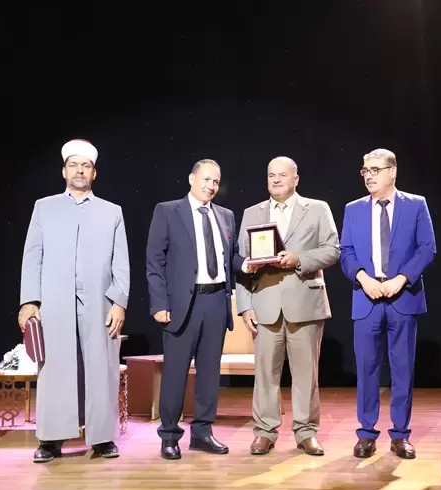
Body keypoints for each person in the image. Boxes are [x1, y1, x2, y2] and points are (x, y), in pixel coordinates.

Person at [19, 139, 130, 463]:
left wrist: (119, 302)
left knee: (103, 367)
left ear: (94, 173)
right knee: (53, 366)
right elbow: (32, 256)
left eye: (86, 166)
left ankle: (103, 437)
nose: (79, 171)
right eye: (73, 165)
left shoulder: (111, 211)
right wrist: (29, 301)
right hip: (55, 300)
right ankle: (51, 439)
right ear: (64, 171)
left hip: (100, 301)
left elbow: (121, 262)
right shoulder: (45, 207)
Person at [235, 156, 340, 456]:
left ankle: (306, 432)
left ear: (296, 179)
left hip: (305, 302)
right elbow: (241, 263)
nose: (276, 180)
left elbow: (333, 250)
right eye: (271, 175)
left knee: (306, 374)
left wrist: (300, 259)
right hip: (264, 304)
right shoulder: (252, 213)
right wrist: (245, 305)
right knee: (265, 374)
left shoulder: (317, 209)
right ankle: (264, 432)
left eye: (282, 175)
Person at [339, 148, 435, 460]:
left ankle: (400, 435)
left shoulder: (416, 205)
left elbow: (427, 247)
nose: (368, 176)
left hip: (402, 297)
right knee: (366, 368)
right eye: (365, 170)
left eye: (375, 170)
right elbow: (346, 251)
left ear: (392, 172)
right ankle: (366, 434)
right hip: (366, 296)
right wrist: (363, 277)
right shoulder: (353, 209)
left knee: (402, 368)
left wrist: (402, 279)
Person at [146, 159, 237, 460]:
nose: (211, 186)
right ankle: (169, 436)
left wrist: (251, 263)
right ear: (191, 179)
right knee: (175, 372)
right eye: (206, 179)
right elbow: (154, 261)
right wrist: (159, 303)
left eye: (216, 181)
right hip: (183, 304)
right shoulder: (167, 211)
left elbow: (232, 259)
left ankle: (202, 433)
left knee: (209, 373)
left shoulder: (226, 216)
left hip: (216, 301)